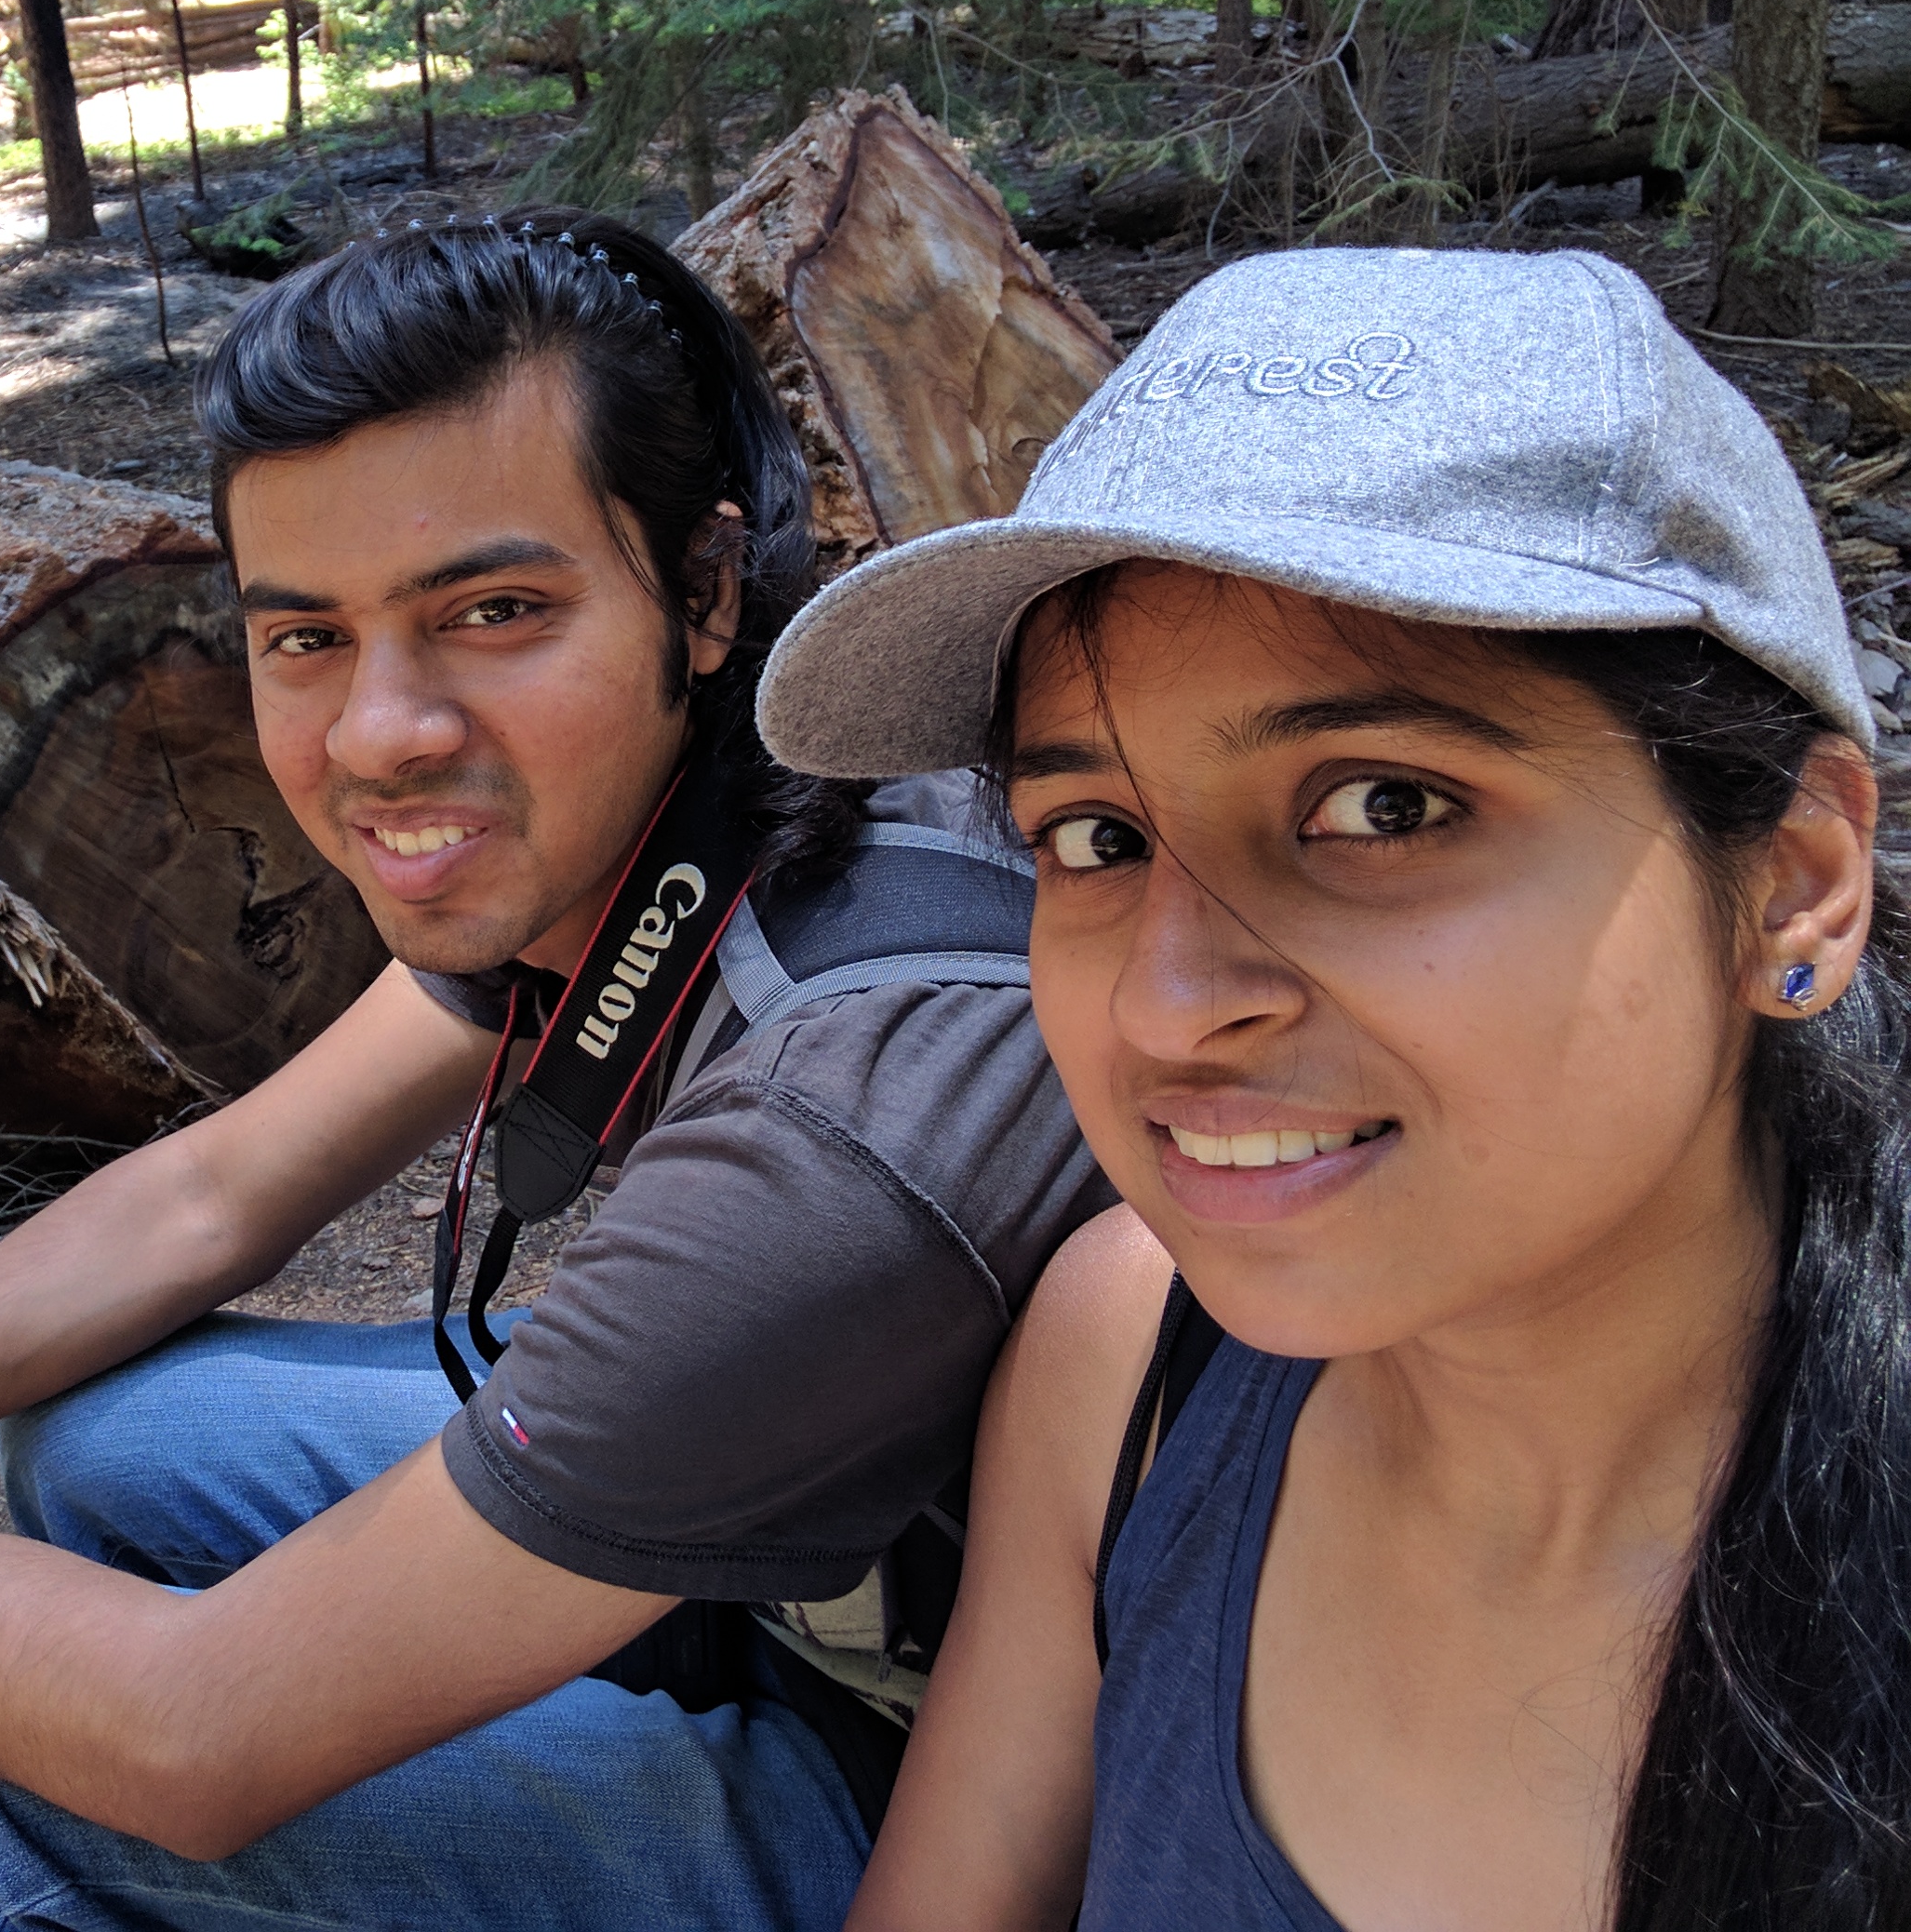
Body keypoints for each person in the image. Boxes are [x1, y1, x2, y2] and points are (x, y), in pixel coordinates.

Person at [0, 210, 1113, 1928]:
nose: (384, 732)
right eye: (305, 636)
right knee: (113, 1438)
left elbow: (193, 1737)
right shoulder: (709, 795)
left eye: (495, 609)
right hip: (852, 1540)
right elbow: (207, 1194)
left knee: (15, 1805)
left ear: (699, 587)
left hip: (960, 1789)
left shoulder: (831, 1126)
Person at [746, 246, 1911, 1928]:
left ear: (1796, 880)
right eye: (1096, 838)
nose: (1164, 1002)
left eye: (1382, 808)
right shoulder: (1131, 1359)